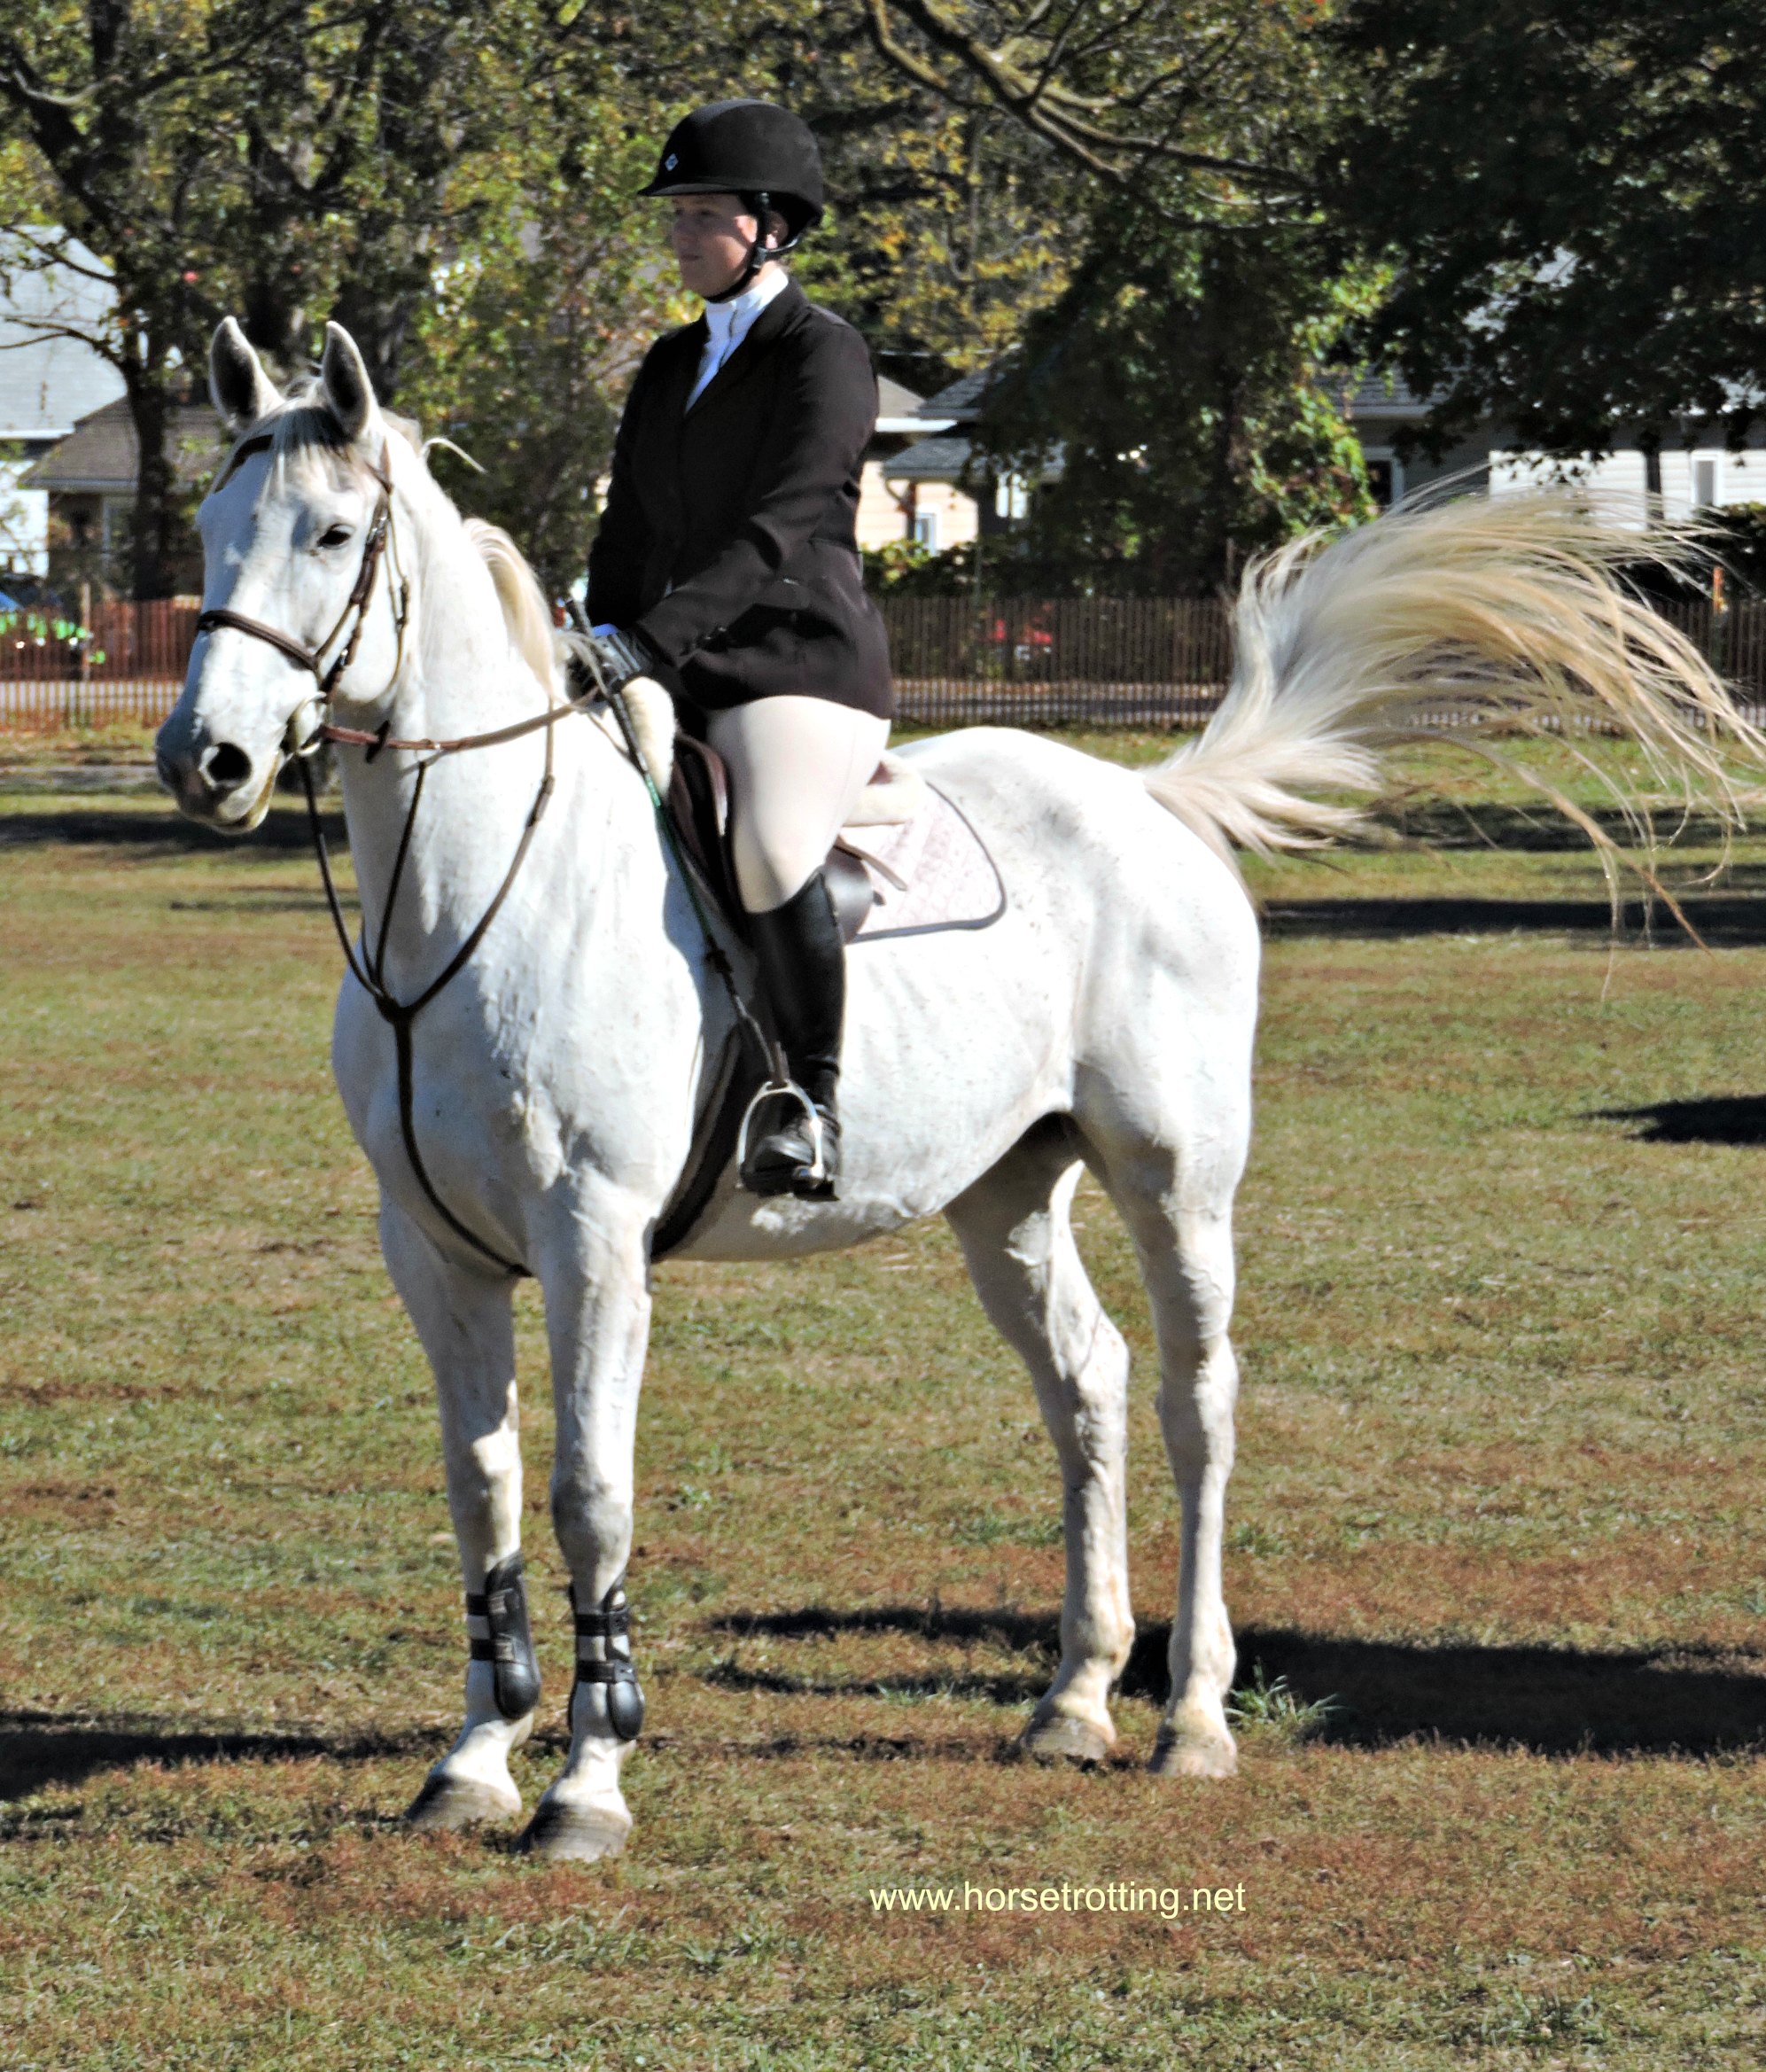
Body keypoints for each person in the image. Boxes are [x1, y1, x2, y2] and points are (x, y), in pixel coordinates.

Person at [583, 98, 895, 1202]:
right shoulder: (670, 362)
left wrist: (647, 640)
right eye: (675, 213)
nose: (677, 234)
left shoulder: (826, 355)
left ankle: (806, 1099)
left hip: (796, 663)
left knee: (765, 847)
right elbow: (628, 525)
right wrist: (592, 637)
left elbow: (779, 527)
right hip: (671, 656)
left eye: (700, 213)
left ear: (770, 224)